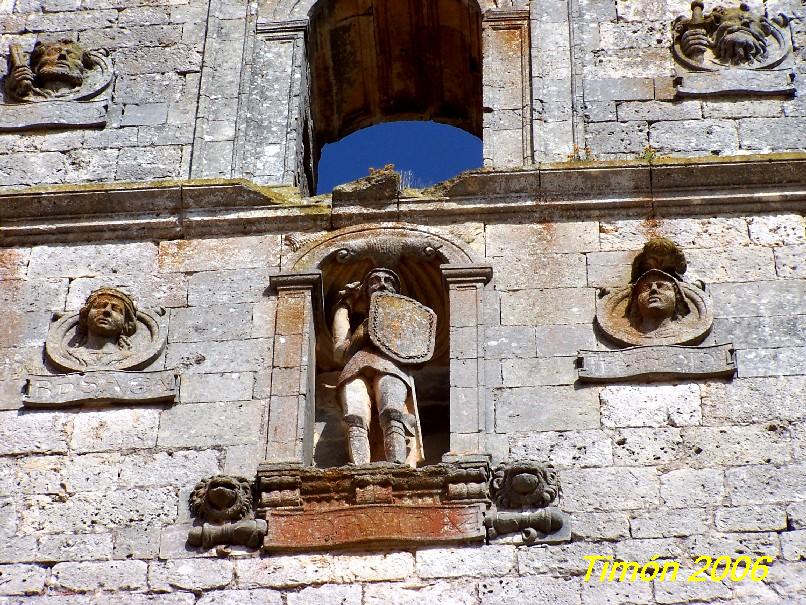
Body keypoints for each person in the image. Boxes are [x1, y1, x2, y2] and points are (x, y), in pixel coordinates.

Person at [331, 268, 424, 467]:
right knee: (354, 417)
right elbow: (340, 352)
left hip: (391, 366)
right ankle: (359, 467)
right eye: (374, 280)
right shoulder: (362, 325)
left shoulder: (405, 319)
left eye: (388, 280)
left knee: (392, 413)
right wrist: (346, 304)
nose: (382, 284)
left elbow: (417, 352)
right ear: (365, 292)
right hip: (355, 366)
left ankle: (398, 464)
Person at [67, 287, 138, 368]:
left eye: (116, 309)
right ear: (85, 317)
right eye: (100, 306)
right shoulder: (70, 355)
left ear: (125, 324)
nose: (106, 311)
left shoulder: (128, 358)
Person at [6, 39, 95, 101]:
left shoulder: (88, 91)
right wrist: (14, 87)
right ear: (36, 63)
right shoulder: (26, 89)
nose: (63, 56)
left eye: (72, 55)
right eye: (53, 52)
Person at [627, 269, 690, 338]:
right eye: (646, 288)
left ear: (677, 297)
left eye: (661, 286)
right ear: (636, 300)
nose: (654, 289)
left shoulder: (685, 333)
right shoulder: (627, 334)